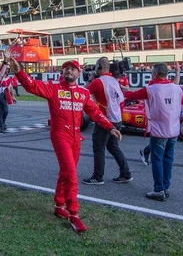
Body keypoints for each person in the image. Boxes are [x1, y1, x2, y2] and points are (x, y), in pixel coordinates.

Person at [8, 57, 121, 233]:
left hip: (76, 137)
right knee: (71, 174)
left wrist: (110, 127)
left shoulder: (83, 93)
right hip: (60, 135)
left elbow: (95, 113)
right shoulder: (53, 88)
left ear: (79, 73)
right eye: (66, 68)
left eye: (73, 69)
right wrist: (18, 72)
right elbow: (31, 86)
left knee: (66, 173)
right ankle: (74, 214)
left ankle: (59, 204)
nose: (69, 71)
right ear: (62, 72)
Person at [124, 63, 183, 201]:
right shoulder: (177, 89)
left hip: (159, 131)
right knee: (168, 160)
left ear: (154, 73)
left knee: (157, 160)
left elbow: (130, 95)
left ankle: (159, 189)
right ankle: (165, 187)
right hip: (173, 131)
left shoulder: (151, 89)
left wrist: (121, 88)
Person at [83, 57, 132, 185]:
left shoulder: (98, 82)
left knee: (98, 148)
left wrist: (89, 79)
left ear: (99, 67)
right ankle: (125, 173)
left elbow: (82, 93)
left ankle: (98, 176)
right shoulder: (115, 81)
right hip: (117, 118)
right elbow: (122, 100)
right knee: (113, 146)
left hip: (105, 120)